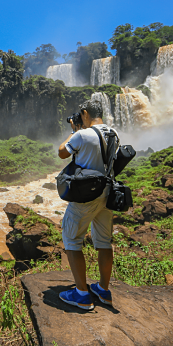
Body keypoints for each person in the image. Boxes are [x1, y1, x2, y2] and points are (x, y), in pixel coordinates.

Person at [56, 100, 117, 310]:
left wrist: (74, 131)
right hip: (107, 194)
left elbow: (62, 152)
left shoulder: (83, 134)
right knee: (103, 242)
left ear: (84, 113)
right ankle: (103, 289)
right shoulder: (113, 133)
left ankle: (82, 294)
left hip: (87, 194)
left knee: (71, 238)